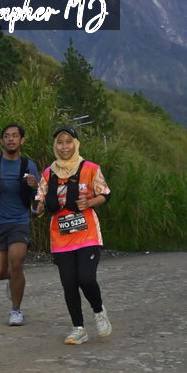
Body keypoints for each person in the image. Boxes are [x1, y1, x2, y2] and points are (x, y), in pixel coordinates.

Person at [35, 125, 111, 345]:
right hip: (60, 237)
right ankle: (79, 328)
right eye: (60, 142)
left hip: (87, 234)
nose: (64, 147)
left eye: (68, 142)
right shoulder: (48, 173)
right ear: (55, 146)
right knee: (69, 284)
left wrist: (90, 202)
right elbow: (40, 198)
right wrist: (38, 207)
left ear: (76, 144)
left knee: (86, 279)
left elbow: (105, 194)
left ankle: (99, 311)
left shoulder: (90, 169)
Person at [0, 124, 39, 326]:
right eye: (7, 136)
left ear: (22, 140)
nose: (11, 139)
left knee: (16, 261)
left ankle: (16, 310)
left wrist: (35, 186)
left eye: (15, 136)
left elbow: (38, 196)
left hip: (19, 221)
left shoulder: (28, 165)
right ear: (1, 141)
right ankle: (14, 281)